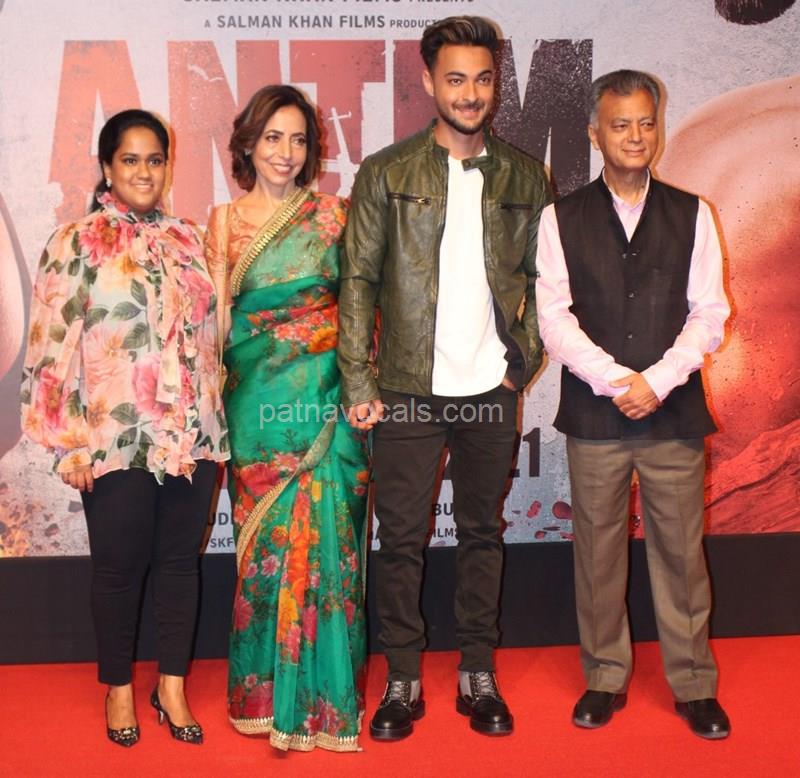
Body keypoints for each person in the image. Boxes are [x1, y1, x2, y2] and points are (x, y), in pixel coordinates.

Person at [338, 16, 551, 740]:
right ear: (429, 81)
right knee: (400, 538)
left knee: (482, 533)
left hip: (490, 388)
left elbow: (543, 281)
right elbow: (358, 282)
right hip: (406, 388)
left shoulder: (525, 176)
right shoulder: (387, 173)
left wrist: (521, 359)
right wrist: (359, 381)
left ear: (497, 84)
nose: (470, 94)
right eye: (455, 79)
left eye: (483, 79)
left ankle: (477, 672)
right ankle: (402, 677)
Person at [20, 109, 229, 747]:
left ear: (168, 165)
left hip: (191, 434)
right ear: (108, 168)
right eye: (130, 160)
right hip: (115, 436)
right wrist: (68, 444)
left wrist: (215, 418)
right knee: (117, 568)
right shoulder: (75, 242)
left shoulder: (191, 238)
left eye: (155, 159)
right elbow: (49, 346)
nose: (144, 171)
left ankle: (172, 686)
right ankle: (117, 688)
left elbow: (213, 336)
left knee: (180, 565)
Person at [535, 69, 732, 739]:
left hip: (674, 412)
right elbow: (553, 319)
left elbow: (710, 313)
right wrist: (618, 380)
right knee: (597, 554)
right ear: (595, 133)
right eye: (621, 125)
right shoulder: (560, 217)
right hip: (596, 414)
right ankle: (604, 676)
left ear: (659, 128)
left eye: (647, 123)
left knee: (681, 554)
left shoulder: (693, 212)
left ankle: (694, 683)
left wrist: (661, 379)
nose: (636, 136)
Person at [204, 85, 369, 753]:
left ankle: (325, 703)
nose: (286, 152)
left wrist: (357, 384)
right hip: (257, 413)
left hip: (328, 403)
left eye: (299, 139)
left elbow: (360, 310)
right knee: (266, 552)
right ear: (247, 144)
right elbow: (216, 326)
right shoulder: (222, 223)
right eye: (272, 137)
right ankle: (263, 697)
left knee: (334, 545)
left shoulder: (335, 217)